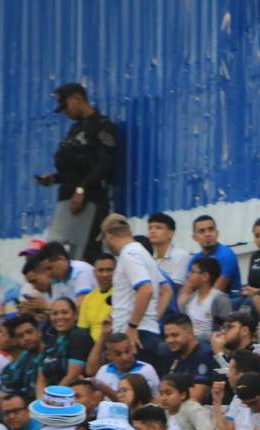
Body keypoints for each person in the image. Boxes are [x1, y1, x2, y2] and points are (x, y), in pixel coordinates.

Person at [37, 83, 116, 260]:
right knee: (62, 254)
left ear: (77, 99)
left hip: (90, 201)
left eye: (66, 107)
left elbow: (104, 164)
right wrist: (55, 178)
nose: (66, 112)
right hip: (69, 201)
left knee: (87, 252)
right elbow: (76, 167)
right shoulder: (75, 129)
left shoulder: (101, 126)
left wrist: (82, 189)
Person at [99, 213, 164, 367]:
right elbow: (165, 288)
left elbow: (145, 290)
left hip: (136, 336)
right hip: (145, 332)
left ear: (108, 236)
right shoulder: (142, 253)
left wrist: (131, 327)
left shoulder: (129, 255)